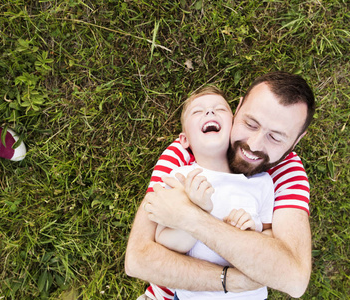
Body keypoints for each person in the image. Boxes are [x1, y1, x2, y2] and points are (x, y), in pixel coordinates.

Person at [125, 71, 316, 299]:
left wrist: (192, 218)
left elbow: (293, 279)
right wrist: (231, 280)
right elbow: (138, 259)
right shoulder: (188, 149)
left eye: (275, 137)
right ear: (238, 108)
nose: (253, 145)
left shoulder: (287, 171)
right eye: (250, 123)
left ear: (297, 140)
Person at [146, 87, 274, 299]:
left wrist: (253, 231)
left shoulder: (261, 183)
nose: (209, 113)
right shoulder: (179, 178)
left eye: (220, 109)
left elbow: (271, 240)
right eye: (198, 112)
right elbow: (164, 243)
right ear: (184, 140)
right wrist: (193, 213)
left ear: (233, 127)